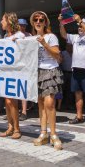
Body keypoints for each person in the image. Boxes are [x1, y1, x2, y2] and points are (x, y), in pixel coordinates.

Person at [30, 11, 63, 150]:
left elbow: (57, 54)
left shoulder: (51, 37)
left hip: (50, 70)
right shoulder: (30, 39)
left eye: (41, 20)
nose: (38, 22)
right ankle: (43, 133)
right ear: (33, 22)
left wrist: (44, 44)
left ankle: (54, 134)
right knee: (41, 104)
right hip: (37, 72)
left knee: (49, 103)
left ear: (45, 22)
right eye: (36, 20)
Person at [59, 14, 85, 127]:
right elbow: (64, 35)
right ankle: (79, 116)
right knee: (78, 94)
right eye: (79, 26)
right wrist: (61, 23)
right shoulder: (75, 37)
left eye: (82, 25)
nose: (80, 27)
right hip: (75, 69)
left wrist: (80, 21)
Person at [0, 12, 25, 139]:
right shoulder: (5, 37)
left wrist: (18, 43)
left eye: (2, 20)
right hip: (6, 73)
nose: (1, 22)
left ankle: (17, 128)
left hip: (15, 73)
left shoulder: (20, 35)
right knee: (7, 101)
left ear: (9, 21)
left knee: (12, 101)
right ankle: (10, 126)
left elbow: (24, 52)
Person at [18, 18, 31, 121]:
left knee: (23, 89)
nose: (22, 27)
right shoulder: (9, 36)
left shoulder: (29, 36)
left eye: (24, 25)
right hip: (14, 66)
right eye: (20, 25)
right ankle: (14, 110)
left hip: (25, 66)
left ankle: (24, 111)